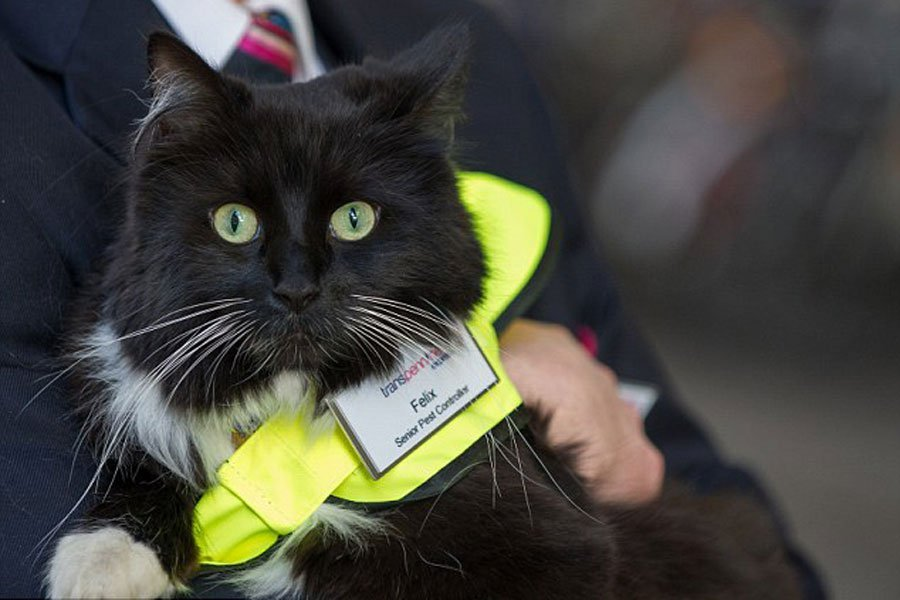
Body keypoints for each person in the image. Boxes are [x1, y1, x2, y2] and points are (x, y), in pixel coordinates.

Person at [0, 0, 824, 597]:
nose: (296, 284)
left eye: (353, 219)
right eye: (243, 223)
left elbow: (684, 464)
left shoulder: (468, 44)